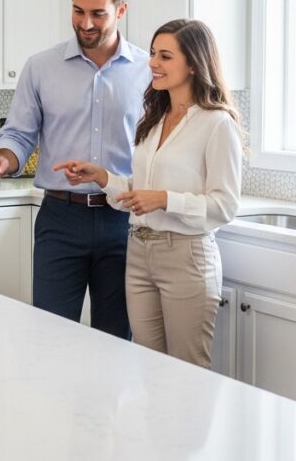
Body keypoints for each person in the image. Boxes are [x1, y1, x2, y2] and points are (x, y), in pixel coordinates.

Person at [0, 0, 150, 339]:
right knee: (50, 335)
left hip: (123, 219)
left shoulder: (148, 73)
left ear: (121, 10)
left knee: (117, 338)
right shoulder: (40, 67)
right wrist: (1, 162)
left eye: (98, 14)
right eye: (78, 11)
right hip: (60, 219)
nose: (86, 24)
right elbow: (19, 134)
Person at [52, 19, 242, 367]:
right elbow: (140, 191)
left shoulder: (217, 124)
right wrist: (102, 177)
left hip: (186, 258)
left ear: (195, 64)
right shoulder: (154, 117)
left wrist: (165, 199)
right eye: (154, 53)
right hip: (139, 253)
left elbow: (225, 205)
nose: (153, 62)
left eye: (165, 56)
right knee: (149, 370)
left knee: (188, 374)